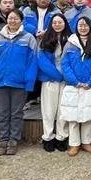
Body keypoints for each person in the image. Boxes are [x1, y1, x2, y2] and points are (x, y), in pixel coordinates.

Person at [0, 9, 38, 156]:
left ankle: (13, 140)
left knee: (16, 113)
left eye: (16, 18)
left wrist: (29, 82)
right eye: (10, 18)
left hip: (20, 82)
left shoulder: (28, 38)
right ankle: (2, 140)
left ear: (21, 21)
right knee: (1, 113)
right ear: (6, 20)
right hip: (0, 82)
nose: (12, 21)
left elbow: (32, 62)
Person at [60, 16, 91, 156]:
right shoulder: (70, 43)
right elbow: (65, 64)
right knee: (73, 116)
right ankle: (74, 144)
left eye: (85, 25)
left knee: (87, 116)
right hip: (74, 85)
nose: (83, 28)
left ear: (90, 27)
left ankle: (86, 142)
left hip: (90, 85)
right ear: (76, 27)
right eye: (80, 25)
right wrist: (74, 81)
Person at [36, 14, 71, 152]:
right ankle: (48, 137)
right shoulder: (45, 39)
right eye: (54, 22)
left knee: (63, 109)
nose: (57, 25)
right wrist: (56, 75)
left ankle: (61, 137)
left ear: (65, 23)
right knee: (48, 110)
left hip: (67, 80)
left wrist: (67, 76)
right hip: (50, 79)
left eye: (60, 22)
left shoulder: (71, 39)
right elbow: (42, 60)